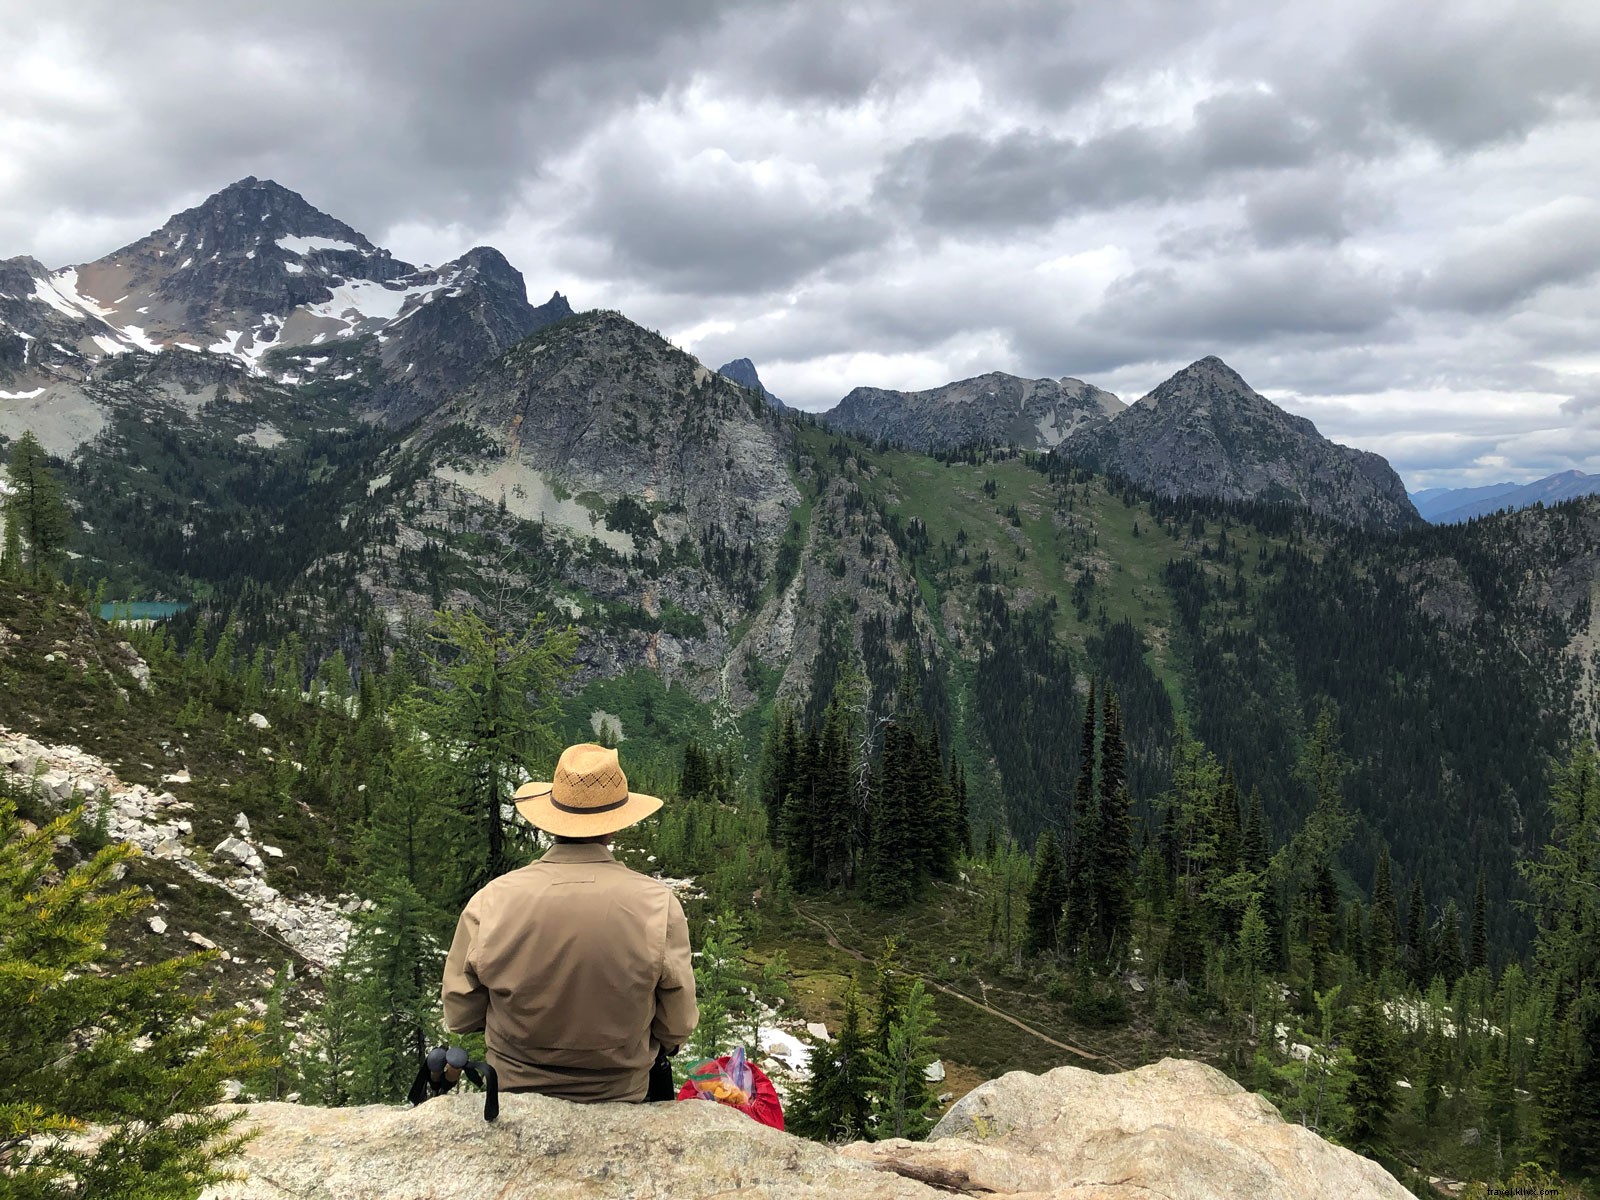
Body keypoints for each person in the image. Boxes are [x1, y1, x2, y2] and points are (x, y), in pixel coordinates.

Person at [441, 742, 698, 1102]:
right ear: (613, 829)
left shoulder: (492, 900)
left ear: (553, 822)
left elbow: (460, 1015)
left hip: (513, 1091)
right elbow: (677, 1026)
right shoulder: (659, 905)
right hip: (622, 1094)